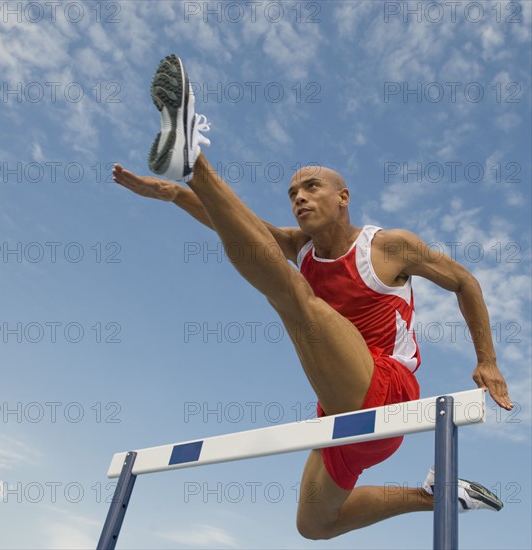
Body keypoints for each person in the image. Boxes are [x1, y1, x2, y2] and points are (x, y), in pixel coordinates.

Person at [112, 54, 512, 540]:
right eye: (292, 192)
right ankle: (436, 494)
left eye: (312, 186)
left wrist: (486, 360)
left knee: (293, 297)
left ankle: (193, 159)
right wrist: (173, 197)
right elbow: (242, 227)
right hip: (337, 406)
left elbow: (465, 281)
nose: (299, 197)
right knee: (314, 524)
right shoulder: (300, 247)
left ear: (343, 197)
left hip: (387, 392)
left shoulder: (388, 247)